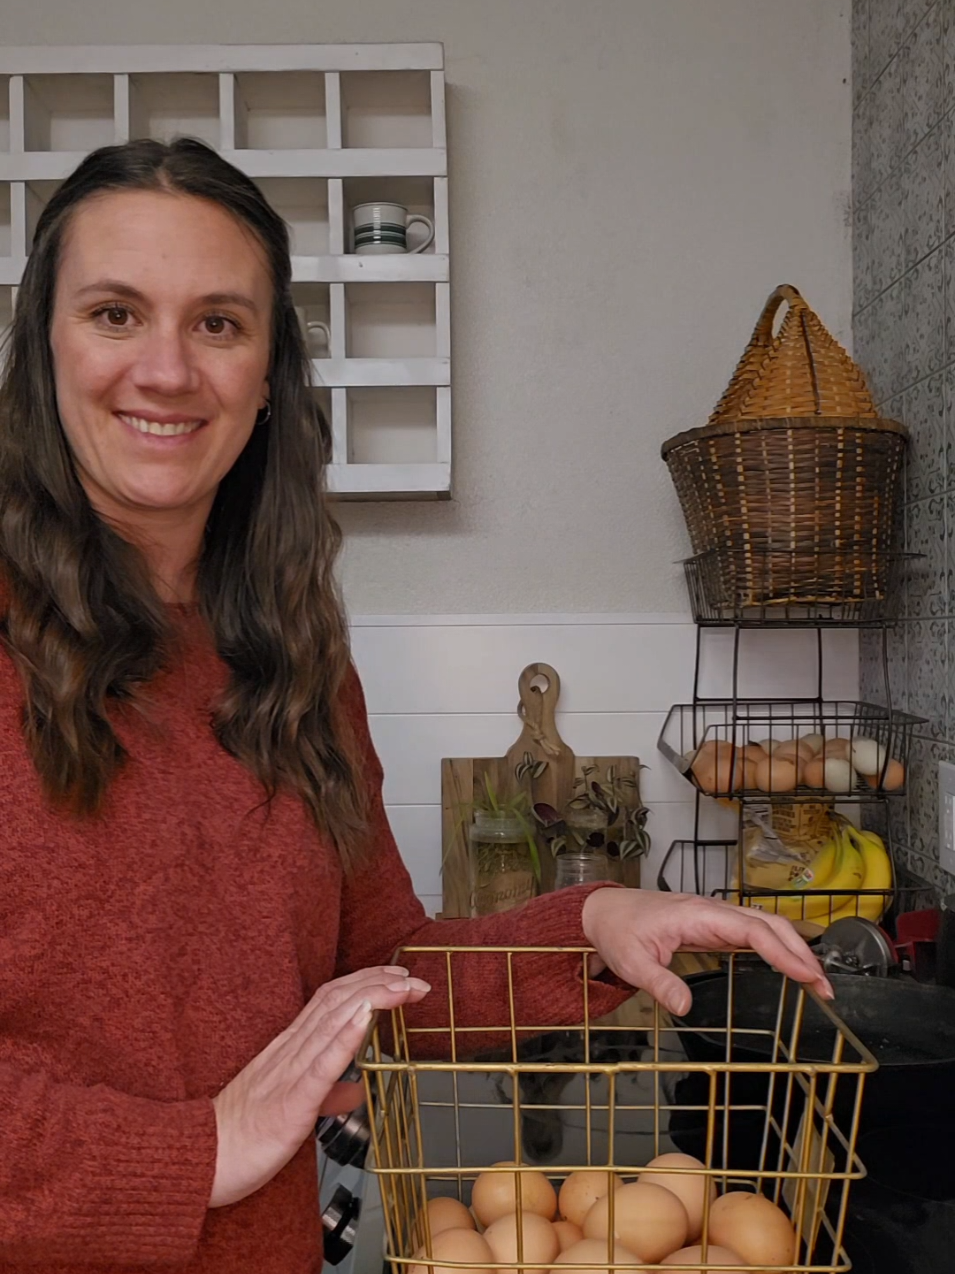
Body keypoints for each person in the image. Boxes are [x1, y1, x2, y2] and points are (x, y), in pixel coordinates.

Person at [0, 137, 831, 1273]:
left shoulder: (291, 650)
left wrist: (590, 922)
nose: (167, 370)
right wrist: (196, 1150)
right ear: (42, 344)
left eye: (219, 322)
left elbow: (378, 970)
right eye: (113, 312)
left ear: (267, 374)